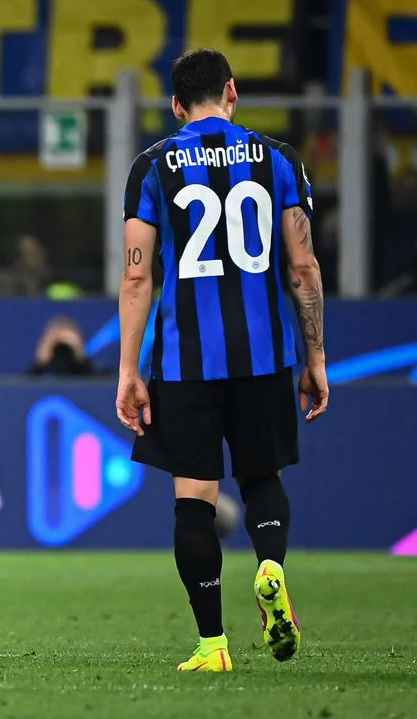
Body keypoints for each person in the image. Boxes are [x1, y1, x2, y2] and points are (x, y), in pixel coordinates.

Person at [115, 48, 328, 673]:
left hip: (186, 362)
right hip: (264, 355)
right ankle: (270, 567)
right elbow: (303, 267)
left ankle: (213, 645)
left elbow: (137, 278)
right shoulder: (279, 159)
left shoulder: (152, 166)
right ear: (232, 91)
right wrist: (315, 357)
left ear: (176, 106)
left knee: (194, 502)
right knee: (261, 479)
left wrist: (130, 370)